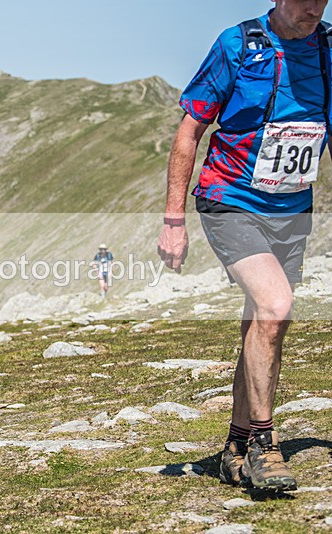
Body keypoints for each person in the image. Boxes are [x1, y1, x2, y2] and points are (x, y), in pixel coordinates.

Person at [158, 0, 331, 491]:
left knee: (263, 320)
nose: (315, 9)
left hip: (291, 208)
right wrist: (174, 220)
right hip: (229, 199)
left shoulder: (328, 47)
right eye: (306, 0)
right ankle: (264, 443)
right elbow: (191, 130)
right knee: (275, 305)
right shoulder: (237, 44)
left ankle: (234, 447)